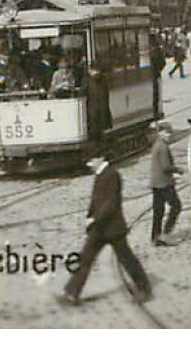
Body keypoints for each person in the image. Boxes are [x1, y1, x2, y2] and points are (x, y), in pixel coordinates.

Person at [62, 141, 152, 306]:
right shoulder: (100, 174)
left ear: (100, 158)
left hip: (112, 228)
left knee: (127, 259)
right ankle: (72, 292)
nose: (88, 164)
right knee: (86, 258)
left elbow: (109, 204)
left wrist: (94, 219)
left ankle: (144, 288)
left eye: (91, 160)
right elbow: (95, 201)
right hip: (99, 228)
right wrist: (89, 217)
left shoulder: (111, 174)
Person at [149, 121, 182, 246]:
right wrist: (178, 170)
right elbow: (166, 166)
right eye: (166, 133)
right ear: (160, 132)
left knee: (158, 210)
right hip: (164, 183)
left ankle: (155, 237)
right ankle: (166, 234)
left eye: (170, 133)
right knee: (176, 206)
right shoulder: (163, 147)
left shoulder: (157, 144)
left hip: (155, 183)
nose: (168, 135)